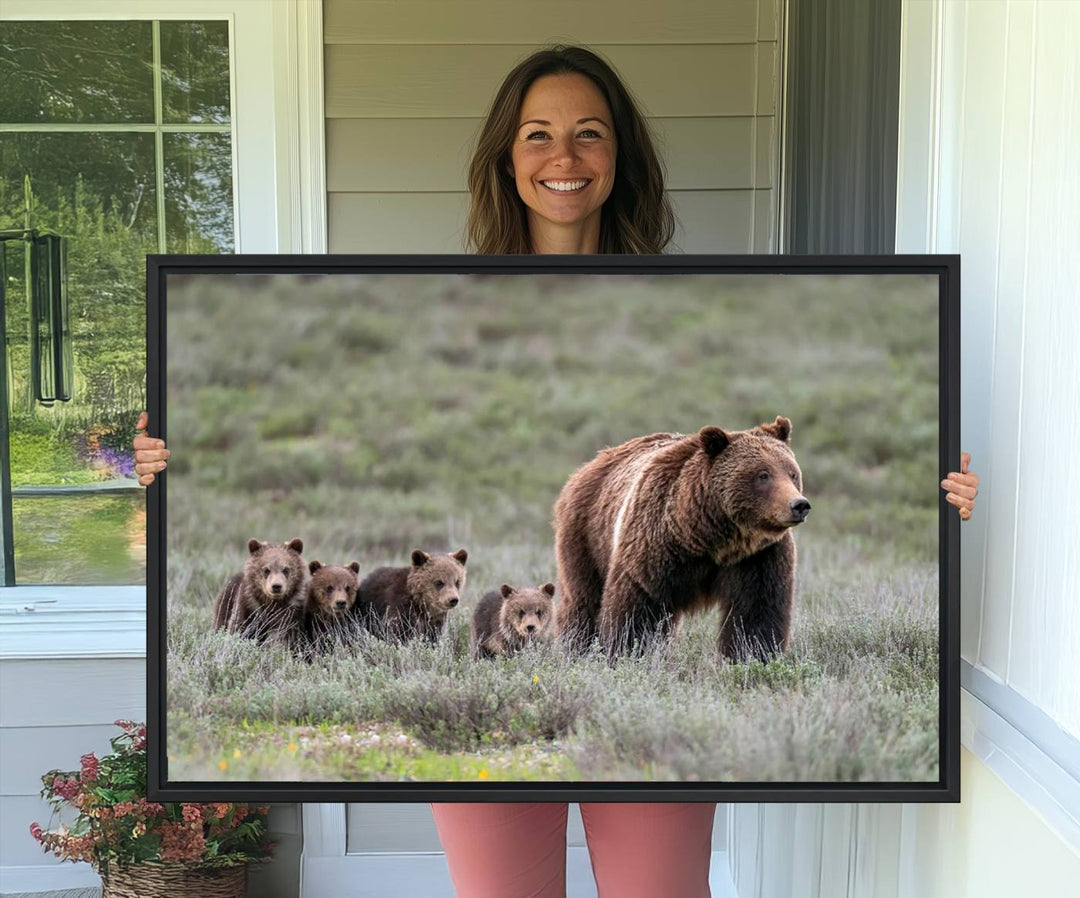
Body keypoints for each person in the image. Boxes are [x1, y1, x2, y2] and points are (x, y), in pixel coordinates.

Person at [133, 45, 979, 898]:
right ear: (507, 156)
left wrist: (946, 501)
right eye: (538, 134)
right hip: (600, 522)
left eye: (589, 134)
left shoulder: (707, 292)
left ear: (621, 157)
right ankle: (586, 661)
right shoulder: (433, 290)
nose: (564, 157)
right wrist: (159, 468)